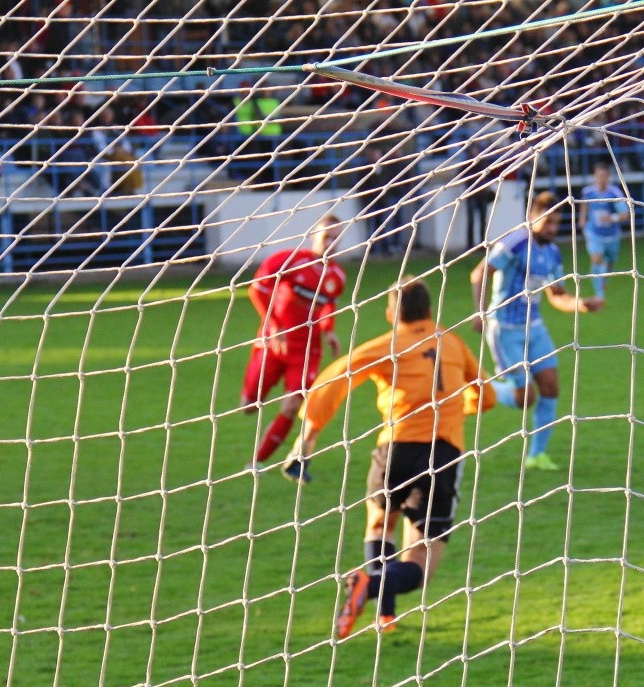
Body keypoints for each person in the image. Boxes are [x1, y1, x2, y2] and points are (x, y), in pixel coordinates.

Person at [285, 277, 496, 636]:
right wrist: (459, 409)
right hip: (442, 453)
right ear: (430, 310)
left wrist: (308, 437)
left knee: (380, 525)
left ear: (391, 314)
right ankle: (377, 600)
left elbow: (335, 378)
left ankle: (382, 610)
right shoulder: (452, 341)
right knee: (421, 562)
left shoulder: (388, 346)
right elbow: (485, 396)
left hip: (394, 450)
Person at [470, 191, 602, 472]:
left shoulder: (552, 253)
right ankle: (482, 386)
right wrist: (480, 311)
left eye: (557, 223)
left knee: (551, 387)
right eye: (547, 221)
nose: (552, 228)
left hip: (536, 328)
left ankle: (536, 455)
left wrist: (580, 305)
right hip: (505, 330)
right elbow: (480, 273)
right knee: (525, 399)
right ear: (532, 216)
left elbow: (557, 295)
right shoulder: (515, 243)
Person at [242, 215, 346, 470]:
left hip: (307, 350)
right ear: (313, 236)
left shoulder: (337, 277)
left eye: (336, 238)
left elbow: (328, 304)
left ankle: (256, 463)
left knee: (291, 406)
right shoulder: (291, 260)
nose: (331, 243)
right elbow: (257, 289)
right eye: (327, 237)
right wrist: (274, 323)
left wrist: (329, 330)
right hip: (274, 344)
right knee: (249, 405)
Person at [579, 161, 629, 298]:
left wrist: (611, 218)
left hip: (612, 235)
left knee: (610, 262)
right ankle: (599, 293)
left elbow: (625, 214)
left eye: (604, 176)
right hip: (594, 233)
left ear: (608, 177)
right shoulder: (588, 192)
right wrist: (582, 219)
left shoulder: (614, 193)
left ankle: (605, 278)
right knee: (596, 259)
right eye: (598, 176)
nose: (601, 179)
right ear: (594, 176)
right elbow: (584, 205)